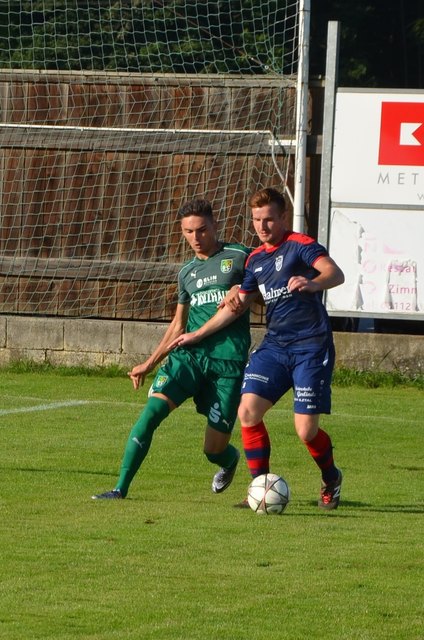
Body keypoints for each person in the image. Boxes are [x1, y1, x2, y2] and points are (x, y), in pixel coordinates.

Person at [171, 187, 345, 510]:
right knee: (247, 412)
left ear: (282, 218)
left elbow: (335, 272)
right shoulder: (255, 260)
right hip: (275, 347)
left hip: (310, 347)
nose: (262, 227)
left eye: (268, 219)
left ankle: (331, 478)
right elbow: (238, 303)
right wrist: (202, 328)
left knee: (306, 431)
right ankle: (260, 488)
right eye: (256, 220)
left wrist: (314, 282)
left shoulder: (300, 246)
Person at [92, 198, 251, 499]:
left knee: (213, 450)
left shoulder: (241, 256)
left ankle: (229, 460)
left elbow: (267, 286)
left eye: (201, 230)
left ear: (214, 225)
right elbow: (178, 325)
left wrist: (242, 288)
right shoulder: (186, 273)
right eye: (188, 232)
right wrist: (149, 363)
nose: (195, 238)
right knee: (150, 414)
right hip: (188, 356)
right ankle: (119, 489)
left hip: (227, 363)